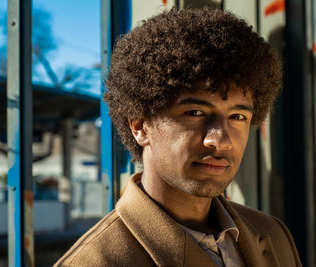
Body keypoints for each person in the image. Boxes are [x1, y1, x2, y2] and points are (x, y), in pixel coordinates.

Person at [55, 8, 301, 267]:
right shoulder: (93, 262)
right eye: (195, 112)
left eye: (238, 116)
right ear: (139, 126)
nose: (220, 139)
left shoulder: (274, 235)